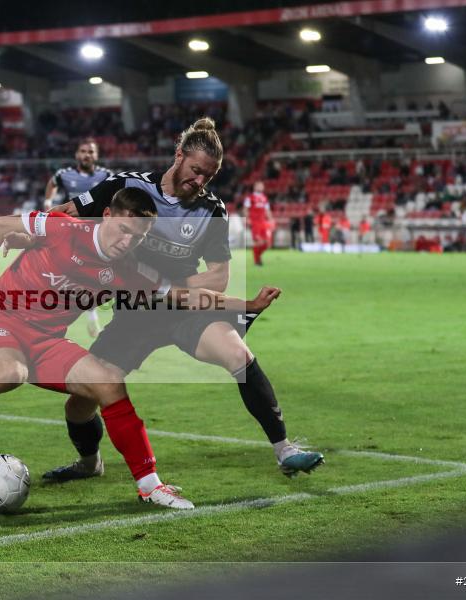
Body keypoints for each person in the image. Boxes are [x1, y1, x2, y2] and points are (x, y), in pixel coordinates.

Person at [0, 188, 282, 509]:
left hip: (45, 342)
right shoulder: (64, 227)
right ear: (107, 215)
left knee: (109, 381)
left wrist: (246, 305)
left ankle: (150, 485)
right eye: (124, 230)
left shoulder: (127, 271)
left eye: (138, 238)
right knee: (11, 372)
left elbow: (184, 296)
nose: (127, 242)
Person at [46, 118, 324, 482]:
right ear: (179, 155)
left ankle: (285, 449)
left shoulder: (211, 209)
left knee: (236, 352)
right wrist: (31, 233)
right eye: (195, 171)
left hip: (184, 310)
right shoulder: (126, 186)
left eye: (207, 176)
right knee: (80, 403)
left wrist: (161, 286)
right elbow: (64, 215)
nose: (199, 182)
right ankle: (89, 462)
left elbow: (219, 277)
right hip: (134, 315)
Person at [44, 138, 113, 337]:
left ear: (96, 155)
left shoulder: (106, 175)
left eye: (91, 152)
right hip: (71, 232)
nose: (86, 155)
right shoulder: (64, 174)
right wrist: (48, 202)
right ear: (77, 155)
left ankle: (90, 311)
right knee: (65, 274)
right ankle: (75, 315)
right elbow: (52, 183)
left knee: (95, 275)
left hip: (97, 232)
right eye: (83, 151)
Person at [243, 181, 275, 266]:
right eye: (259, 185)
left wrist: (271, 220)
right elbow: (245, 209)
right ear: (255, 187)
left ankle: (257, 256)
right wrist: (247, 219)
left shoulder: (264, 198)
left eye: (262, 186)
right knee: (259, 242)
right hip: (255, 222)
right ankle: (257, 260)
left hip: (263, 222)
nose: (261, 187)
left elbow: (267, 210)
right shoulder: (250, 197)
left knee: (267, 244)